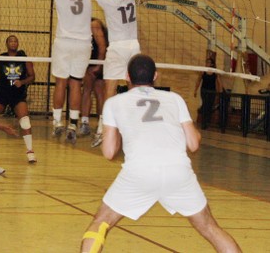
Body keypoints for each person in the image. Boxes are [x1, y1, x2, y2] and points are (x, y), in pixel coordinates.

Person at [80, 54, 241, 253]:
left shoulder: (114, 103)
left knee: (101, 223)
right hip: (178, 171)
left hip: (139, 171)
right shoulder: (174, 99)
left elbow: (109, 152)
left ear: (127, 77)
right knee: (209, 227)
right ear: (155, 76)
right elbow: (193, 144)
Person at [74, 0, 141, 147]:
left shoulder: (108, 1)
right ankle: (135, 127)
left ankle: (103, 130)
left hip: (118, 48)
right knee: (134, 87)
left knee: (109, 89)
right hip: (134, 46)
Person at [35, 0, 92, 144]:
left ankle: (57, 122)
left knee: (61, 82)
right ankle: (73, 124)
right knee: (76, 83)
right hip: (84, 43)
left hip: (64, 41)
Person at [0, 35, 37, 163]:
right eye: (11, 41)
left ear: (18, 44)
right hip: (2, 92)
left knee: (25, 121)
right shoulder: (0, 58)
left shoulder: (24, 59)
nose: (13, 43)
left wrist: (22, 82)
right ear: (6, 44)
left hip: (17, 94)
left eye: (15, 41)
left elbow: (32, 77)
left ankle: (30, 151)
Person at [80, 18, 108, 137]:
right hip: (91, 62)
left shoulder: (93, 24)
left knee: (97, 93)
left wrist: (98, 65)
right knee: (89, 91)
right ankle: (86, 123)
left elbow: (102, 46)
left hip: (96, 62)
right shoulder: (86, 25)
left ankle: (99, 124)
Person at [194, 57, 223, 129]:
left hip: (212, 91)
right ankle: (204, 123)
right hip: (204, 91)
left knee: (209, 107)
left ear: (212, 64)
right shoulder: (203, 71)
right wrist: (195, 90)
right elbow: (198, 81)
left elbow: (219, 82)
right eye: (206, 62)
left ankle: (207, 122)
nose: (206, 64)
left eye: (208, 62)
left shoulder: (215, 72)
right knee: (205, 105)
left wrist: (220, 92)